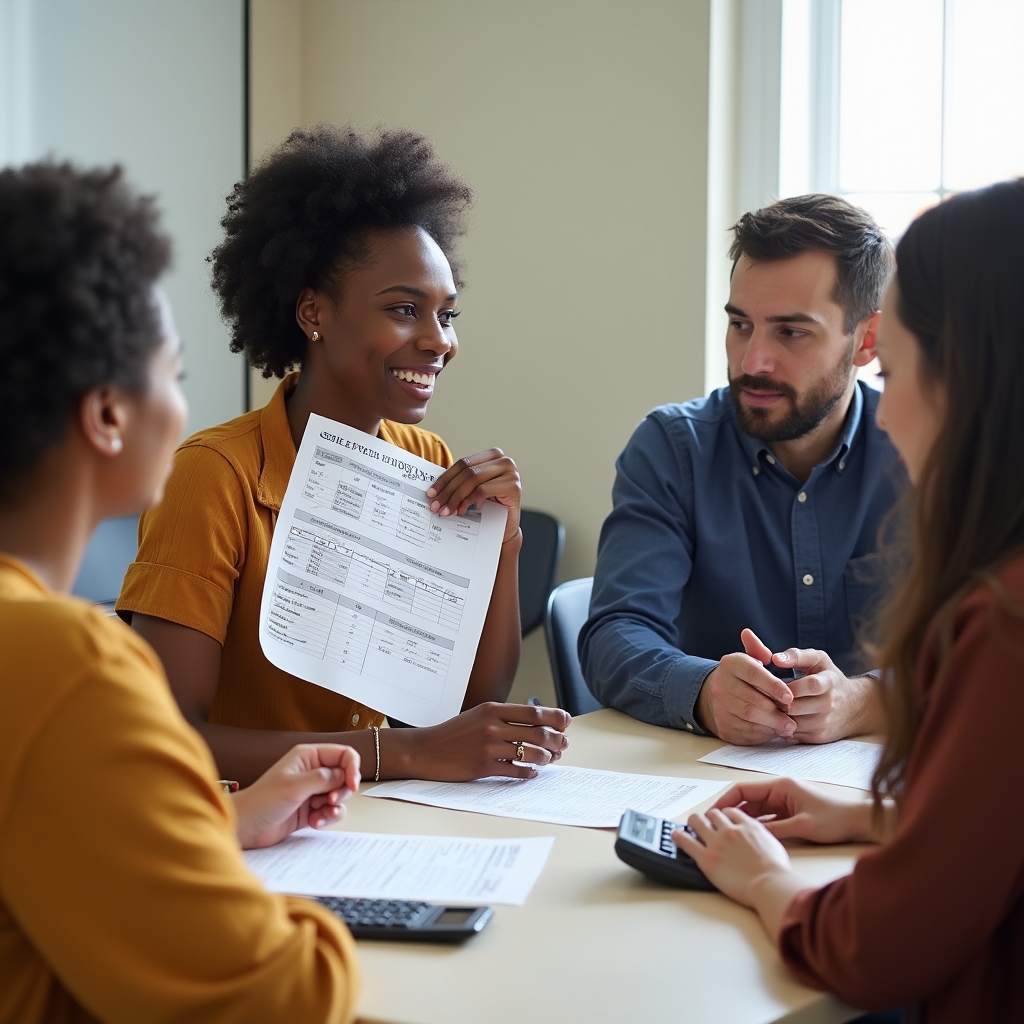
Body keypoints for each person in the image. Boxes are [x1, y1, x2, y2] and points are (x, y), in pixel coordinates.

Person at [0, 162, 362, 1022]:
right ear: (108, 415)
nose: (184, 408)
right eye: (174, 372)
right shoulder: (69, 665)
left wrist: (213, 825)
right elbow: (287, 996)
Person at [115, 124, 570, 786]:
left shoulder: (427, 460)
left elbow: (469, 706)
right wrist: (397, 754)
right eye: (405, 309)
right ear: (313, 314)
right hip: (246, 821)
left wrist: (502, 541)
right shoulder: (213, 476)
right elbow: (168, 739)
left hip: (371, 813)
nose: (439, 340)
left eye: (447, 315)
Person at [674, 181, 1024, 1022]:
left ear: (975, 379)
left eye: (895, 373)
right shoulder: (676, 441)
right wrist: (881, 816)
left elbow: (875, 947)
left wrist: (764, 878)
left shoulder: (1005, 624)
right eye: (741, 325)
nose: (888, 417)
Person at [580, 195, 907, 745]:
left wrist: (866, 701)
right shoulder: (672, 449)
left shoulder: (928, 454)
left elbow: (988, 642)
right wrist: (703, 691)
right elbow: (616, 633)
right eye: (740, 324)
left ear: (866, 341)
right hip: (708, 778)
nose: (753, 361)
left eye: (791, 331)